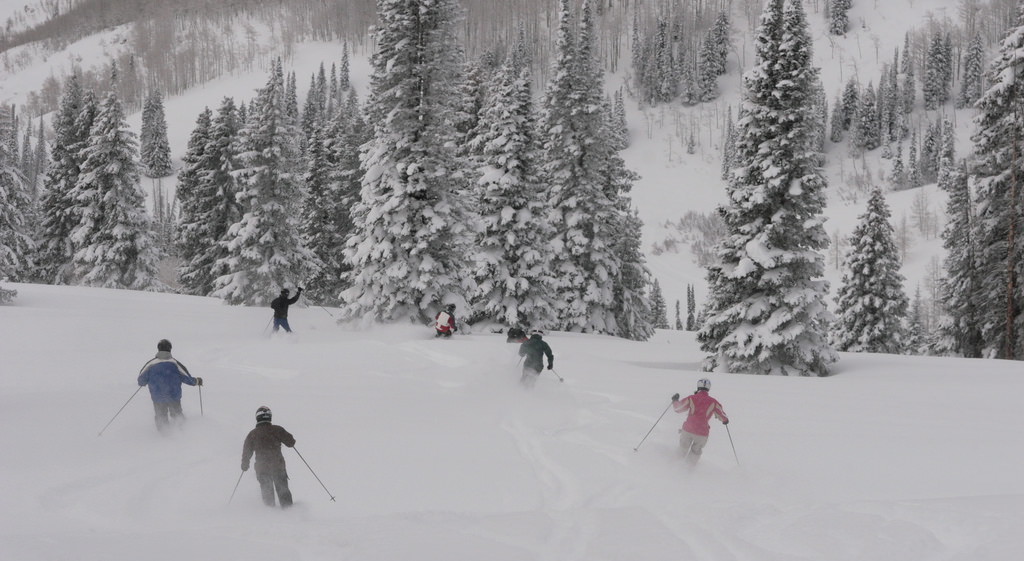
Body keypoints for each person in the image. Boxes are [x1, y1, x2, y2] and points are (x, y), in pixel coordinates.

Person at [137, 339, 202, 433]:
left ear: (158, 349)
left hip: (158, 398)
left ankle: (164, 438)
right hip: (173, 396)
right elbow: (188, 379)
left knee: (161, 417)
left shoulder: (151, 364)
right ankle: (182, 435)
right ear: (170, 349)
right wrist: (197, 381)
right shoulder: (175, 364)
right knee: (177, 416)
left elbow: (141, 381)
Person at [241, 406, 296, 508]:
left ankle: (269, 515)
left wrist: (245, 464)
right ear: (269, 417)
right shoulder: (277, 430)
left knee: (267, 493)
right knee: (283, 491)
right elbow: (291, 442)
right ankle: (290, 512)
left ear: (257, 418)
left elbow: (246, 451)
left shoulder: (253, 434)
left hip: (262, 469)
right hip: (278, 467)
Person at [671, 378, 729, 466]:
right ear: (708, 388)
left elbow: (678, 409)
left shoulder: (692, 398)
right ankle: (687, 470)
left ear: (698, 387)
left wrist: (675, 401)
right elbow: (723, 416)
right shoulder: (713, 402)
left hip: (688, 430)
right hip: (702, 433)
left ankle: (673, 466)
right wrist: (725, 421)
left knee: (682, 448)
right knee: (695, 452)